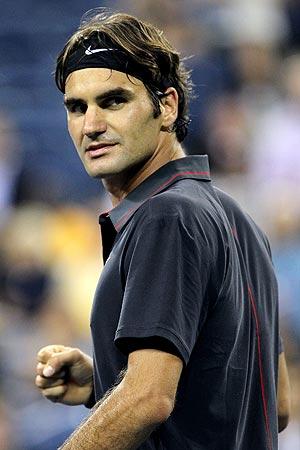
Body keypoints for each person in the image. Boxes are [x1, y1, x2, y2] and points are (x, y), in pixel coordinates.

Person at [35, 10, 291, 450]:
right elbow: (277, 403)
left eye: (113, 101)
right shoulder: (239, 219)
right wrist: (104, 380)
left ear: (167, 106)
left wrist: (132, 391)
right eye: (77, 108)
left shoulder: (165, 216)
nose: (91, 125)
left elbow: (148, 400)